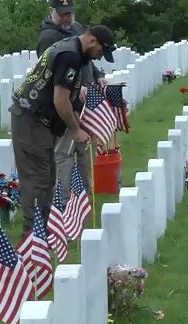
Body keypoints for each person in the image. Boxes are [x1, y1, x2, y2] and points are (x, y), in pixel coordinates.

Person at [9, 25, 116, 232]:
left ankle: (43, 231)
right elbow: (60, 100)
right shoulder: (70, 56)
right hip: (31, 120)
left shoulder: (69, 48)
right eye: (101, 52)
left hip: (37, 120)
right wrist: (75, 130)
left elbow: (66, 96)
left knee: (48, 175)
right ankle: (32, 235)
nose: (98, 58)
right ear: (93, 41)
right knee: (38, 178)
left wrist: (78, 119)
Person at [36, 0, 107, 205]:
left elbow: (89, 58)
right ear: (52, 12)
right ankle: (64, 198)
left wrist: (98, 75)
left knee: (86, 146)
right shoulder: (48, 37)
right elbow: (51, 74)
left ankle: (85, 193)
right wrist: (76, 87)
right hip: (66, 101)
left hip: (87, 97)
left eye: (69, 13)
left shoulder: (76, 29)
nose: (67, 18)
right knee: (65, 151)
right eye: (62, 14)